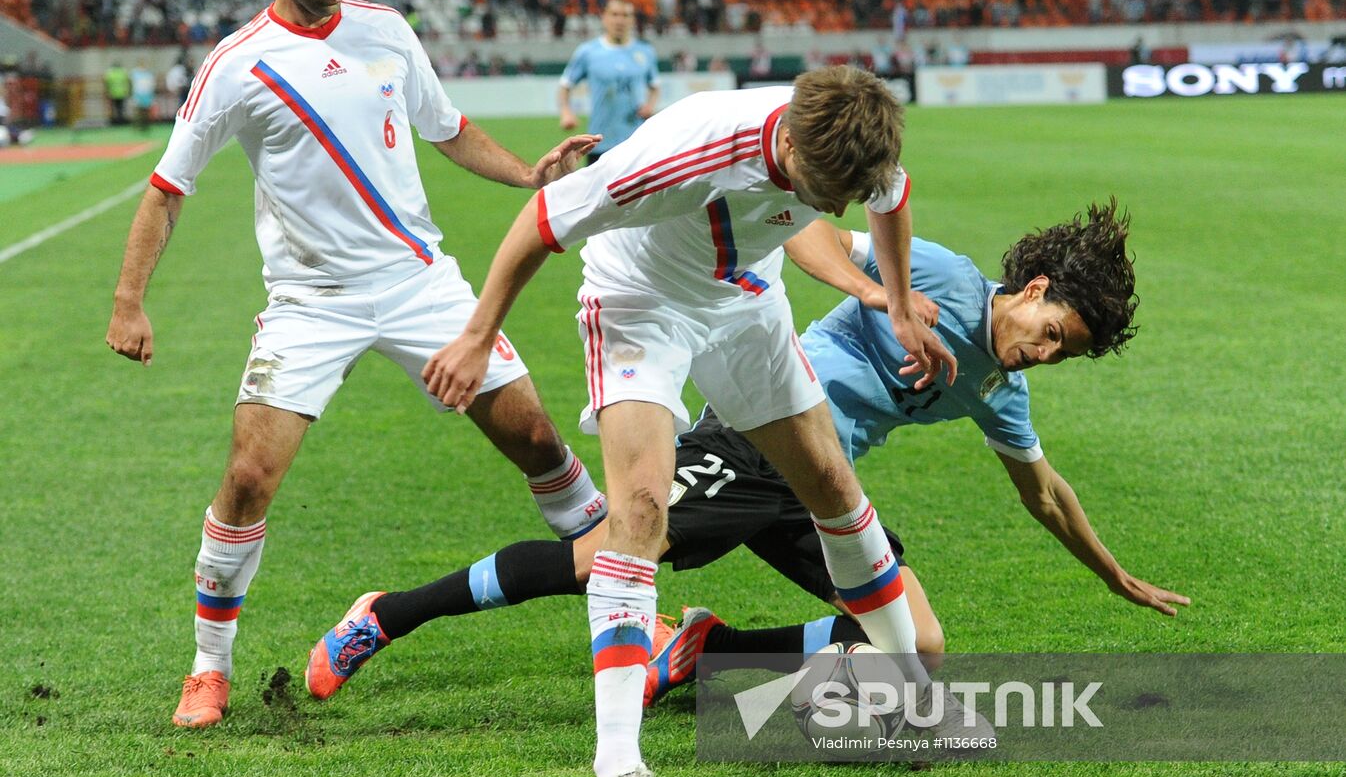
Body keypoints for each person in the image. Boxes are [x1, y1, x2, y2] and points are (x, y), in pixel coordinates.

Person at [307, 202, 1187, 704]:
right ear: (1033, 290)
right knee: (604, 560)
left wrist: (1114, 576)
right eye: (1053, 331)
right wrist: (880, 296)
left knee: (915, 645)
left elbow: (1046, 493)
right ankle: (386, 615)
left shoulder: (1000, 387)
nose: (1046, 351)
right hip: (754, 434)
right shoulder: (948, 279)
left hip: (822, 494)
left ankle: (702, 649)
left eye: (1064, 353)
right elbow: (806, 229)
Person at [104, 0, 606, 732]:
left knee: (536, 440)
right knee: (249, 477)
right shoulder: (237, 63)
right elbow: (166, 188)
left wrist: (528, 173)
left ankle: (626, 602)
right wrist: (129, 301)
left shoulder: (387, 32)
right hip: (310, 301)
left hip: (421, 284)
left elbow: (446, 128)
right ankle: (208, 669)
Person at [420, 65, 959, 777]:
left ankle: (914, 699)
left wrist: (899, 298)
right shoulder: (693, 153)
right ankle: (617, 775)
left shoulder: (852, 146)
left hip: (745, 302)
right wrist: (476, 337)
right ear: (791, 147)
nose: (838, 208)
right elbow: (543, 217)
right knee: (639, 510)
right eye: (826, 189)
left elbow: (890, 198)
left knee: (834, 488)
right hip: (642, 301)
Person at [557, 0, 660, 164]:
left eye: (626, 15)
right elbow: (565, 85)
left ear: (632, 19)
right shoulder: (588, 52)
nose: (620, 20)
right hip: (600, 143)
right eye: (615, 15)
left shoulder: (645, 52)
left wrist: (650, 105)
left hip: (638, 144)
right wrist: (566, 112)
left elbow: (655, 86)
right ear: (604, 17)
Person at [130, 60, 156, 130]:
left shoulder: (148, 74)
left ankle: (145, 126)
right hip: (138, 95)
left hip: (147, 95)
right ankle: (137, 126)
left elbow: (151, 85)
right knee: (138, 112)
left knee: (146, 112)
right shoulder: (135, 73)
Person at [104, 61, 131, 125]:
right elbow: (127, 82)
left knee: (114, 107)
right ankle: (121, 120)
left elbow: (107, 82)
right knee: (121, 107)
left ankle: (114, 121)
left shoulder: (110, 73)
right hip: (122, 93)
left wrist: (107, 91)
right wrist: (128, 91)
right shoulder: (123, 72)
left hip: (113, 93)